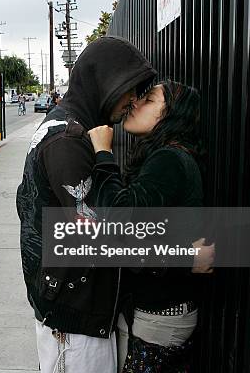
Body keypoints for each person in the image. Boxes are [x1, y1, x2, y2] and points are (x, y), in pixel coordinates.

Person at [16, 36, 157, 373]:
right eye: (131, 90)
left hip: (69, 304)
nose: (133, 102)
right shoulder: (68, 140)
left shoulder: (65, 124)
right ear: (105, 81)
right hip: (74, 319)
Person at [88, 80, 215, 371]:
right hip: (156, 313)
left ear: (170, 114)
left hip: (159, 317)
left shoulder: (169, 160)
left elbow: (118, 219)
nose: (135, 103)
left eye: (148, 100)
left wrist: (102, 155)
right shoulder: (170, 157)